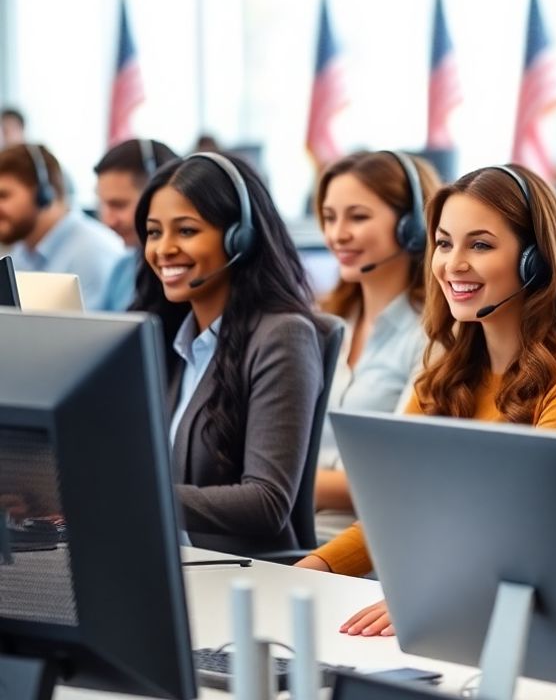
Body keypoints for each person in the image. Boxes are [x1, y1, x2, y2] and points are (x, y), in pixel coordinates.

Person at [295, 163, 556, 637]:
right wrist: (309, 571)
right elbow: (396, 507)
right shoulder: (448, 372)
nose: (452, 263)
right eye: (444, 243)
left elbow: (526, 518)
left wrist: (431, 594)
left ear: (536, 260)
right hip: (442, 600)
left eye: (480, 245)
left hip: (513, 616)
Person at [131, 152, 325, 554]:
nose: (164, 249)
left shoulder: (282, 336)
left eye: (185, 231)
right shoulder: (166, 337)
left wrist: (134, 496)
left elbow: (267, 501)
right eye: (153, 232)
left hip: (239, 576)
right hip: (167, 562)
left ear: (241, 237)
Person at [311, 150, 437, 542]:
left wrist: (280, 482)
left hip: (365, 551)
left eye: (358, 217)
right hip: (294, 534)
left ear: (411, 227)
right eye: (330, 218)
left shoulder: (431, 336)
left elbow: (394, 480)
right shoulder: (325, 324)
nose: (338, 234)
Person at [0, 143, 124, 306]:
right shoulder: (21, 250)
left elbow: (98, 331)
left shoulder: (92, 253)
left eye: (3, 195)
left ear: (44, 194)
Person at [93, 138, 178, 311]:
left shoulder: (180, 273)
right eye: (103, 205)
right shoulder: (123, 268)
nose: (108, 221)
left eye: (119, 205)